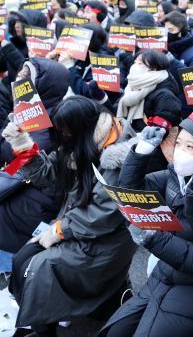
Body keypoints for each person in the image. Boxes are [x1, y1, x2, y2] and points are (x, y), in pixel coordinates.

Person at [101, 109, 193, 336]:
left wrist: (154, 238)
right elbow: (133, 193)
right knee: (116, 330)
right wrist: (141, 152)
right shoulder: (177, 177)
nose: (180, 153)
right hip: (166, 272)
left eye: (191, 147)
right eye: (179, 143)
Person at [5, 97, 137, 335]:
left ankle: (42, 327)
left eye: (64, 131)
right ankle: (40, 319)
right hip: (74, 226)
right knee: (21, 259)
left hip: (106, 241)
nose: (62, 136)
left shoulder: (118, 158)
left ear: (81, 127)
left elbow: (103, 214)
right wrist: (21, 142)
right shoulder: (78, 143)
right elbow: (47, 174)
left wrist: (59, 230)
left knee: (39, 269)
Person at [0, 58, 69, 253]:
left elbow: (21, 166)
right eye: (20, 73)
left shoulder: (49, 126)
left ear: (42, 86)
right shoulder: (24, 113)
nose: (18, 78)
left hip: (28, 198)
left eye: (25, 76)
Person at [116, 50, 182, 132]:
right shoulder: (133, 87)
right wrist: (102, 97)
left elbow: (157, 133)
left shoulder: (165, 96)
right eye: (134, 62)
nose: (134, 67)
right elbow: (115, 111)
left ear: (154, 68)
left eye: (140, 64)